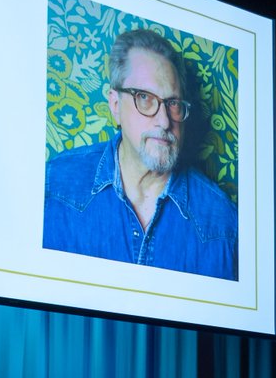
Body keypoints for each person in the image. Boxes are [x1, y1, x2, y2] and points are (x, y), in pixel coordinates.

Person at [43, 29, 238, 281]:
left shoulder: (224, 223)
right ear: (115, 105)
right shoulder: (54, 185)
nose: (164, 121)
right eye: (144, 97)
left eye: (173, 103)